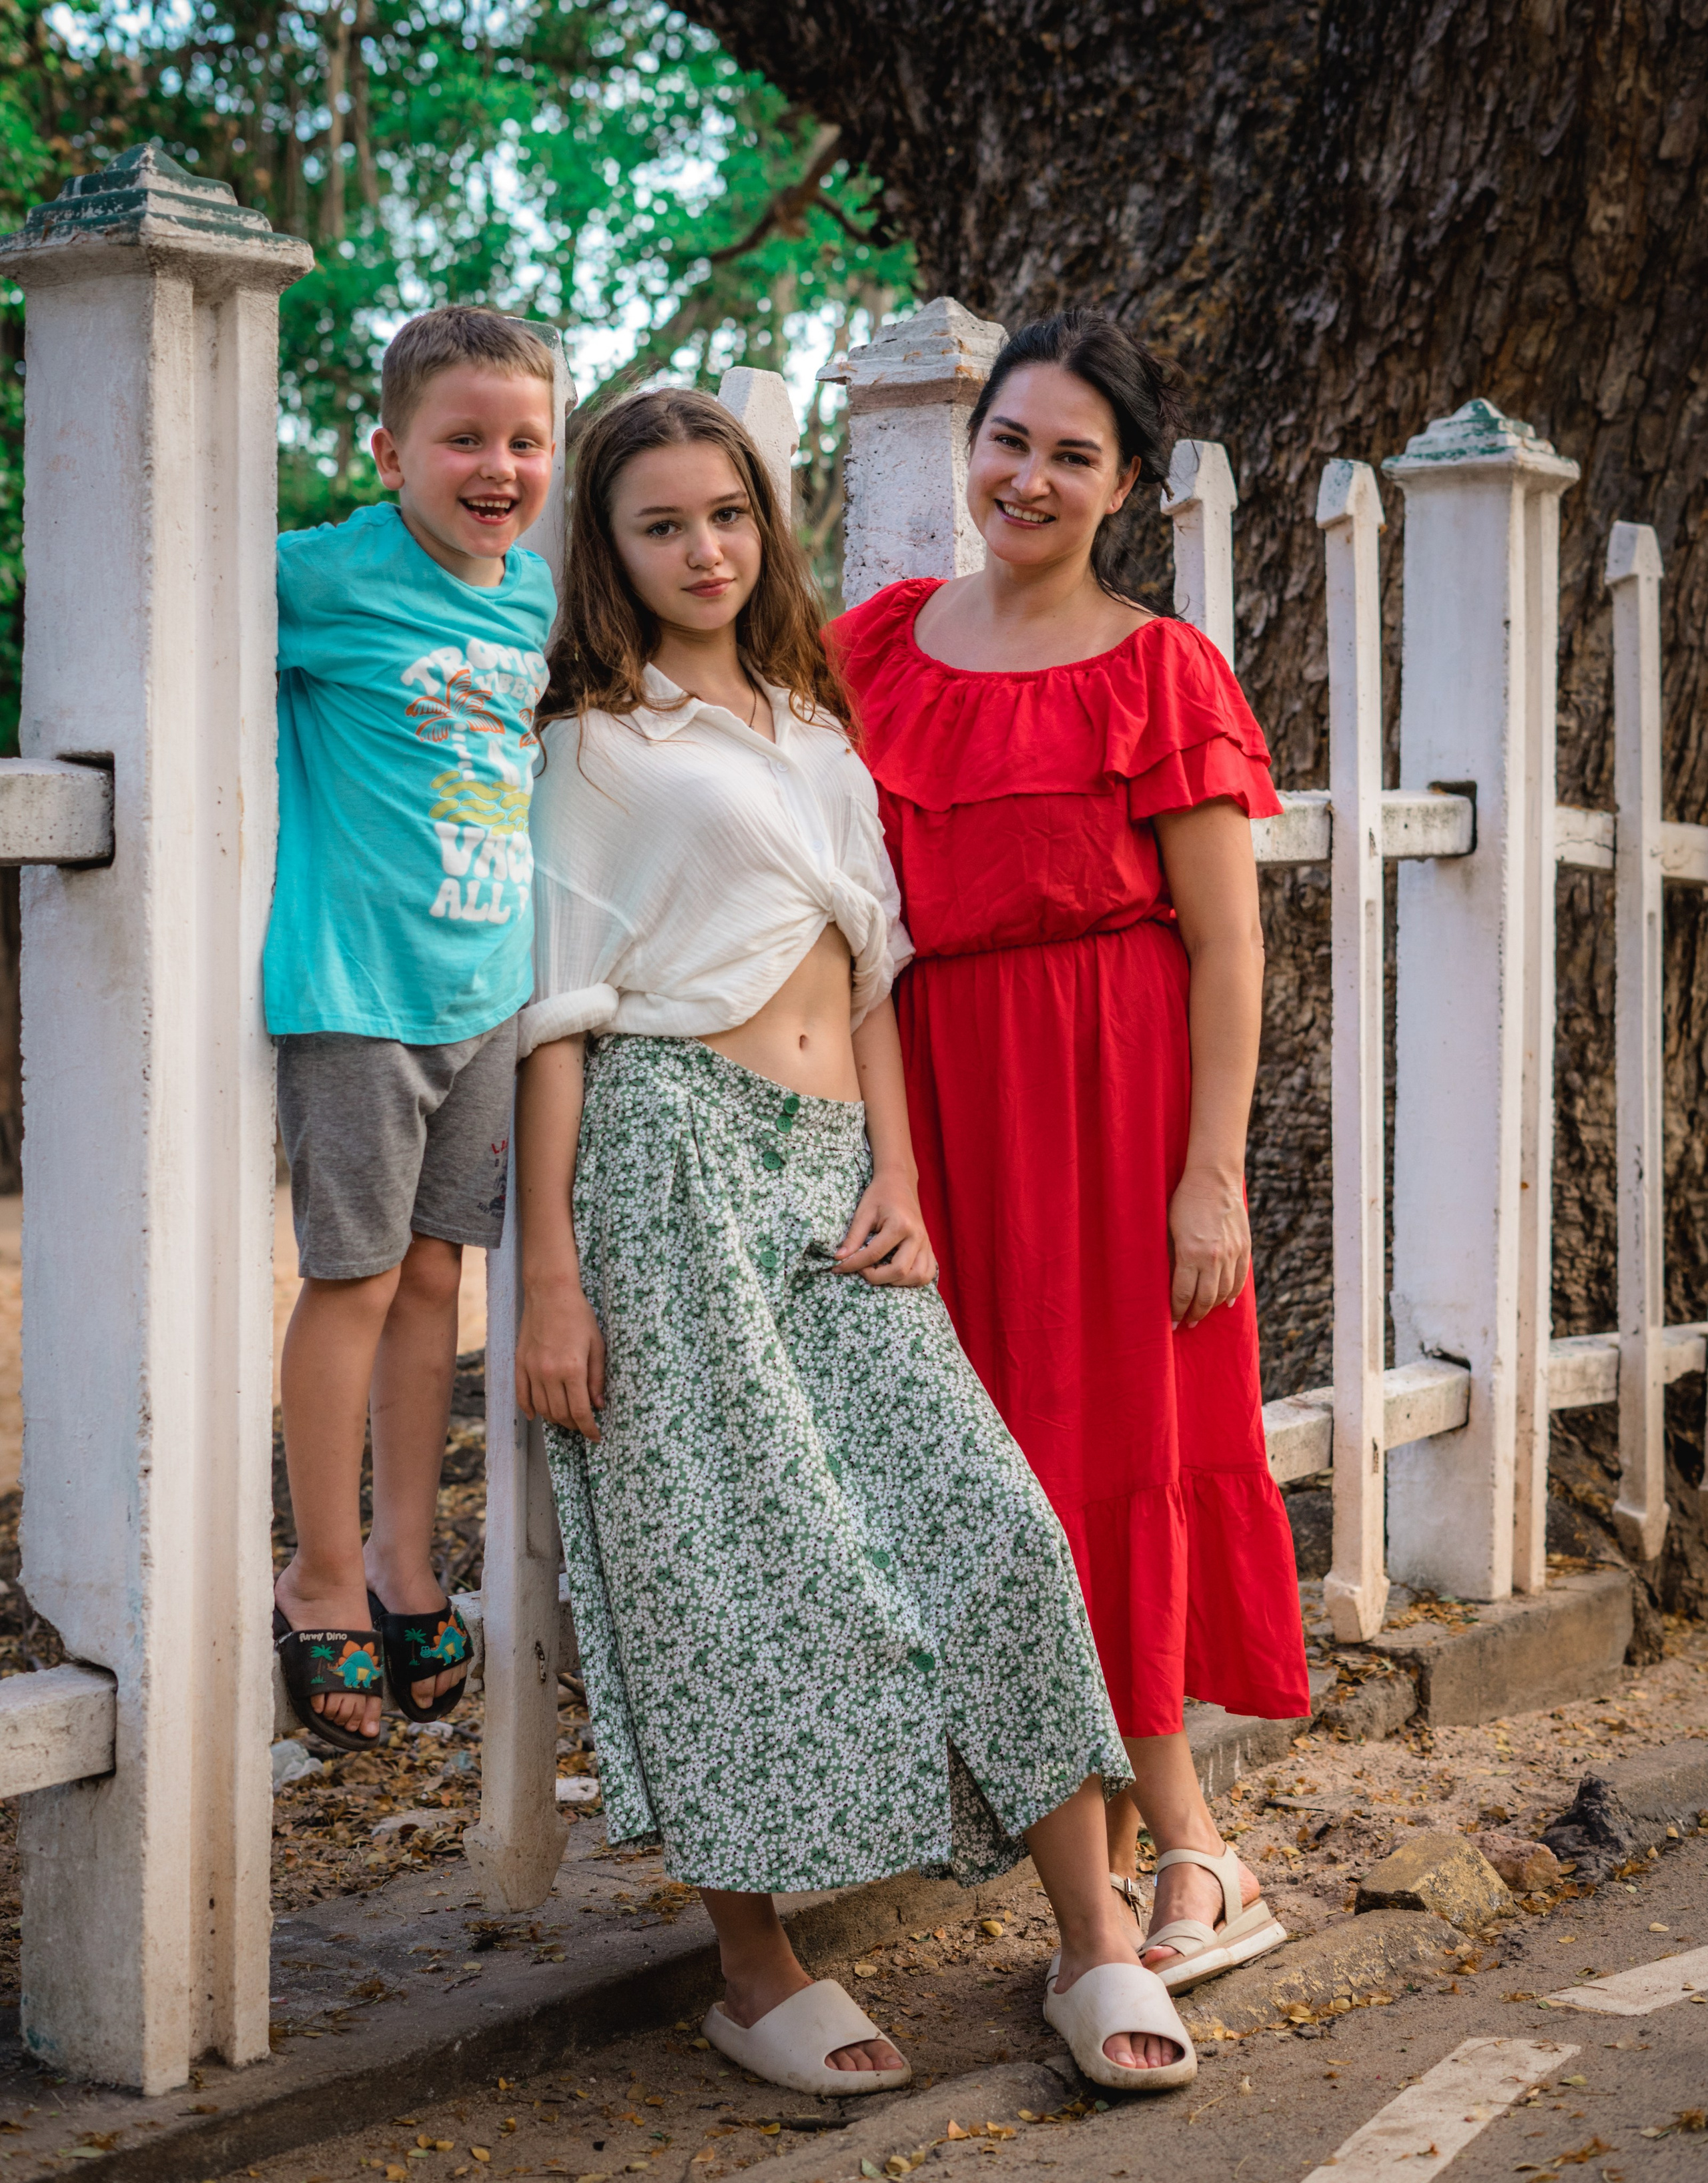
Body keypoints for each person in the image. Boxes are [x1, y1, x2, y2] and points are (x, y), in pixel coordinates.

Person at [511, 386, 1196, 2096]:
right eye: (660, 526)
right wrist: (552, 1279)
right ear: (608, 549)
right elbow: (555, 1019)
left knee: (994, 1523)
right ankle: (752, 1966)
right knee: (723, 1565)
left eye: (726, 515)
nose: (702, 550)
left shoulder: (821, 722)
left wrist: (898, 1169)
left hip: (833, 1172)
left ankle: (1090, 1935)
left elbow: (874, 973)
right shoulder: (596, 743)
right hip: (667, 1164)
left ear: (766, 521)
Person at [829, 310, 1309, 1994]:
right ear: (970, 446)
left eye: (1070, 456)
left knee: (1112, 1456)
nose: (1027, 478)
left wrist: (1209, 1174)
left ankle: (1187, 1841)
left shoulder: (1157, 667)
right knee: (994, 1469)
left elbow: (1228, 945)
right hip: (936, 1099)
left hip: (1115, 1100)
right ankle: (1111, 1856)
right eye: (1008, 440)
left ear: (1123, 486)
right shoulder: (873, 651)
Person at [268, 306, 560, 1750]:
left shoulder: (534, 594)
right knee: (356, 1276)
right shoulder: (323, 574)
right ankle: (320, 1571)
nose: (497, 466)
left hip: (489, 992)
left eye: (525, 440)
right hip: (359, 993)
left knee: (438, 1277)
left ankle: (400, 1555)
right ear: (390, 455)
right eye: (464, 439)